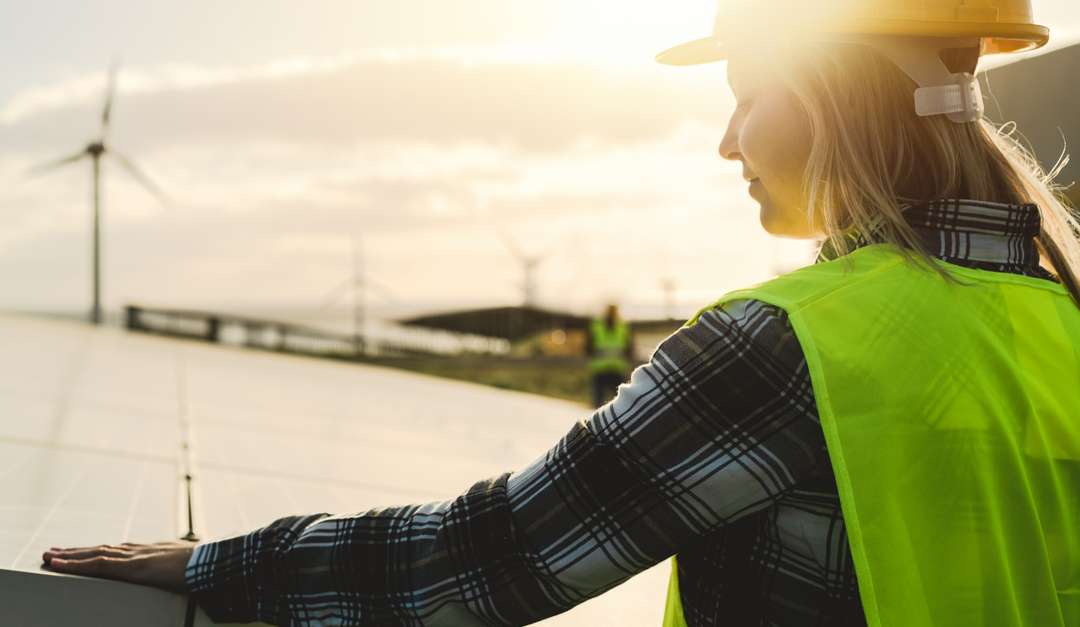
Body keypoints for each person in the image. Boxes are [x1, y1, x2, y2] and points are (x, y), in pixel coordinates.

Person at [41, 1, 1080, 625]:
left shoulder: (788, 347)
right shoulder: (1057, 321)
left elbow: (486, 559)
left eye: (748, 93)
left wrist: (222, 563)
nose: (727, 142)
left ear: (836, 93)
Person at [585, 303, 634, 407]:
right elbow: (629, 349)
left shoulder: (620, 326)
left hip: (607, 369)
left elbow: (588, 348)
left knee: (611, 403)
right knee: (619, 404)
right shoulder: (621, 326)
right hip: (610, 369)